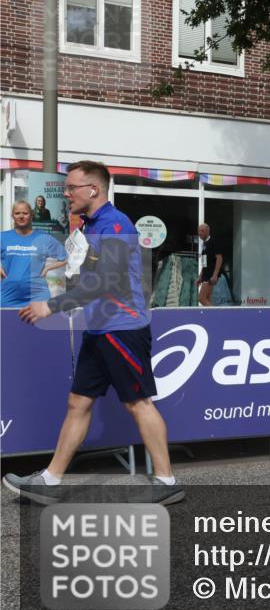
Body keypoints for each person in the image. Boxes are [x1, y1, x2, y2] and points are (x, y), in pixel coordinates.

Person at [2, 161, 184, 506]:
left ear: (94, 190)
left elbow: (107, 281)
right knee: (77, 402)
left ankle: (166, 480)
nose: (66, 193)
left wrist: (51, 307)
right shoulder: (91, 227)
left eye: (72, 188)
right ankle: (51, 481)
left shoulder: (115, 224)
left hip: (122, 328)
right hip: (98, 328)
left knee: (138, 403)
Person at [1, 200, 68, 307]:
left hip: (38, 296)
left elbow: (65, 258)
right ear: (12, 216)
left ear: (31, 215)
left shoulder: (44, 238)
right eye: (17, 213)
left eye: (25, 213)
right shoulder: (3, 237)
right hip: (8, 295)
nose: (21, 216)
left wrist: (47, 268)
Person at [196, 223, 224, 306]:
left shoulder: (213, 242)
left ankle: (216, 317)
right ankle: (212, 317)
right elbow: (204, 263)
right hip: (206, 275)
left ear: (208, 231)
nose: (200, 233)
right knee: (208, 299)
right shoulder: (204, 244)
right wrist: (200, 276)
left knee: (201, 298)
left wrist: (215, 275)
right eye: (199, 231)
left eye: (202, 231)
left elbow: (219, 258)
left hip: (210, 275)